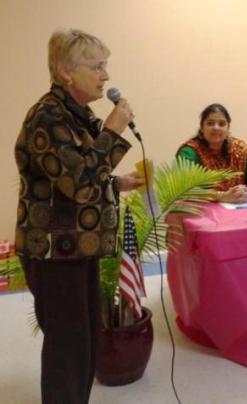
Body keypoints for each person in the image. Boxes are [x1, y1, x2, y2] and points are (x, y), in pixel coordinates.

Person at [14, 28, 144, 404]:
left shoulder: (77, 114)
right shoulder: (47, 117)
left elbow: (79, 173)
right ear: (65, 72)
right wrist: (113, 129)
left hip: (78, 246)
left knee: (85, 343)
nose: (106, 75)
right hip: (54, 251)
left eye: (105, 66)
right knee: (67, 350)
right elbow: (80, 185)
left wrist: (118, 183)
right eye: (97, 67)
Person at [176, 103, 247, 203]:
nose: (216, 127)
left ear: (228, 128)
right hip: (201, 208)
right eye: (210, 123)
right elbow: (184, 189)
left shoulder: (241, 151)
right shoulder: (190, 151)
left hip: (238, 208)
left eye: (222, 124)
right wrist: (221, 196)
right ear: (202, 127)